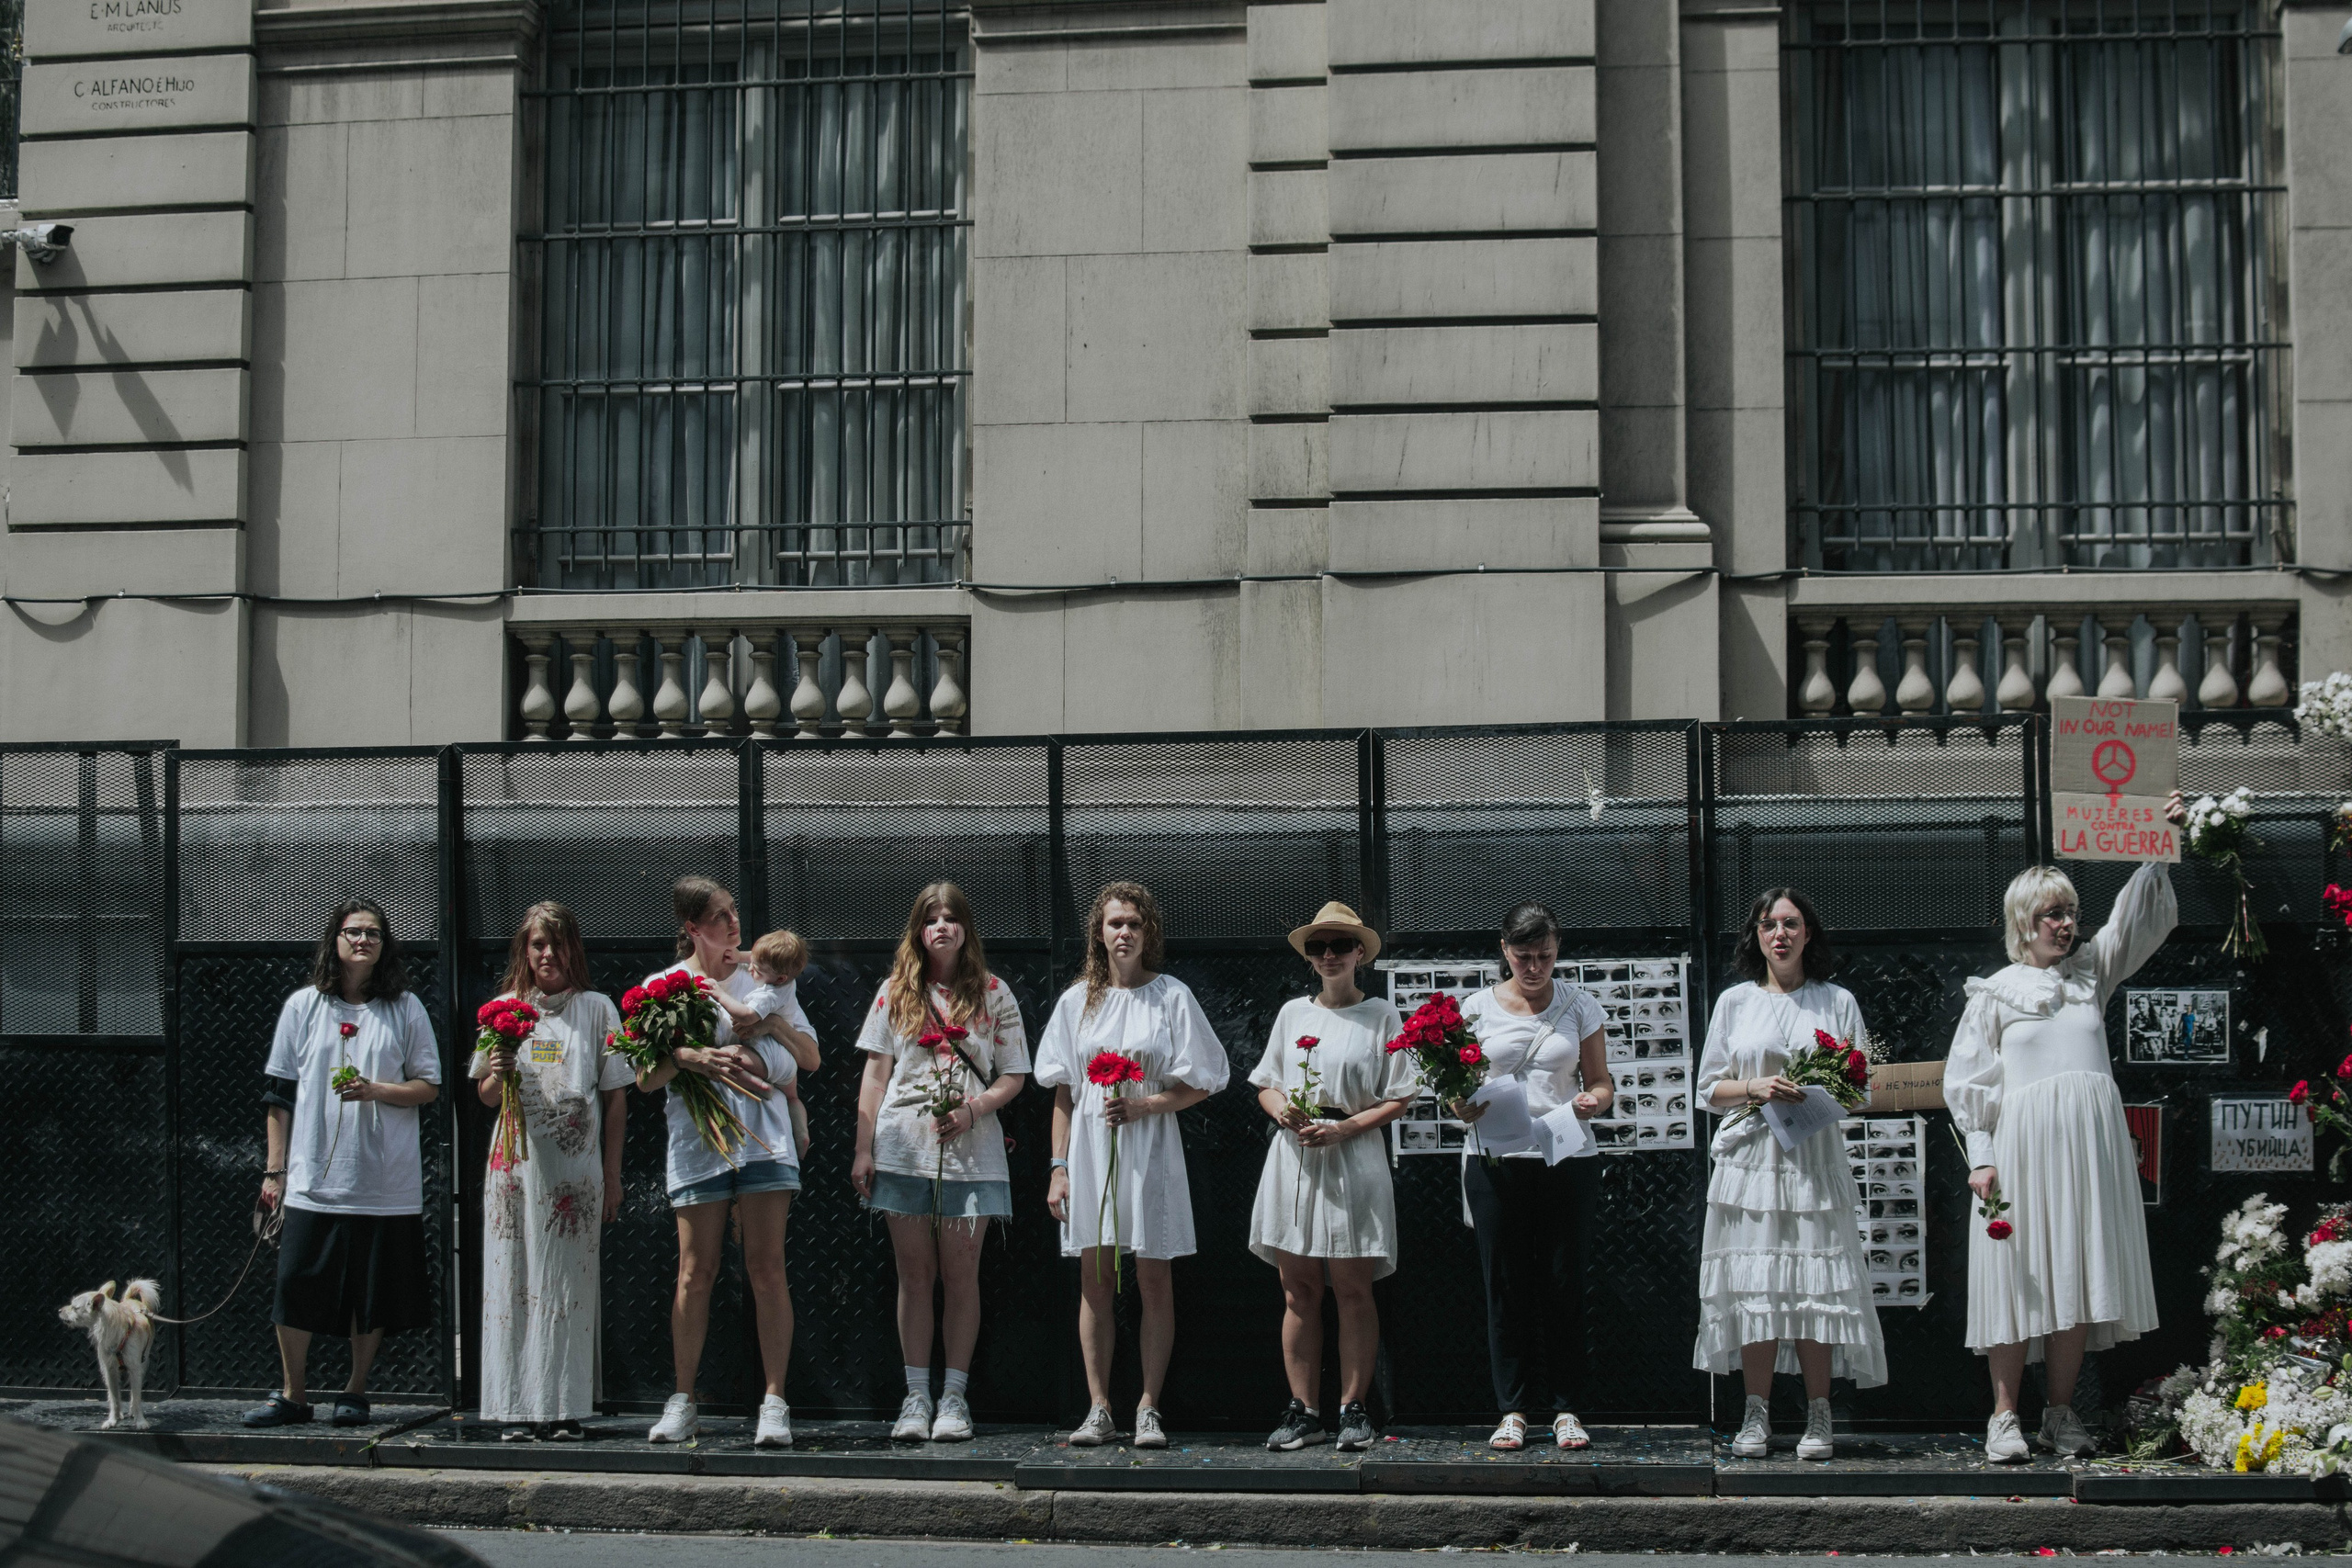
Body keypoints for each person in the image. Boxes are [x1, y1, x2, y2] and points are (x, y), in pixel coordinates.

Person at [1945, 791, 2187, 1462]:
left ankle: (2058, 1413)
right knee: (2014, 1275)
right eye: (2053, 912)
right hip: (2021, 1153)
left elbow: (2135, 921)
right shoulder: (1994, 993)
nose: (2066, 922)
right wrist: (1983, 1156)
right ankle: (2003, 1416)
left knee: (2077, 1275)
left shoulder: (2090, 976)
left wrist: (2158, 847)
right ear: (2026, 921)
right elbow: (1969, 1083)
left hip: (2087, 1153)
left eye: (2071, 911)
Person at [1035, 883, 1230, 1450]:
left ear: (1149, 934)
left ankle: (1148, 1406)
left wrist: (1147, 1104)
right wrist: (1057, 1167)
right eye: (1115, 923)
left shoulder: (1171, 996)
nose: (1124, 932)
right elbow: (1064, 1093)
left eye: (1134, 924)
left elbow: (1203, 1082)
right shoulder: (1077, 1002)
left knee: (1153, 1276)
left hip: (1151, 1149)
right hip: (1092, 1150)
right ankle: (1098, 1407)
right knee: (1094, 1278)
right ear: (1099, 932)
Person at [1693, 887, 1884, 1462]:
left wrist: (1822, 1093)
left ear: (1808, 933)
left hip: (1811, 1160)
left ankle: (1819, 1414)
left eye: (1791, 924)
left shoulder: (1837, 1000)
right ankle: (1756, 1413)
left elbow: (1861, 1087)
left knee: (1814, 1287)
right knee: (1756, 1286)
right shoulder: (1734, 1002)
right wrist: (1756, 1087)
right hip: (1751, 1163)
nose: (1780, 934)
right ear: (1756, 935)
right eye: (1768, 924)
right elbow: (1708, 1088)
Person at [245, 899, 442, 1428]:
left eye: (373, 933)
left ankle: (355, 1391)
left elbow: (429, 1086)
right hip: (313, 1180)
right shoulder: (303, 1007)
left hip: (382, 1181)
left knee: (369, 1294)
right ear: (335, 940)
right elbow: (279, 1094)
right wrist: (275, 1170)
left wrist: (377, 1090)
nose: (363, 941)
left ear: (385, 945)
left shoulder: (405, 1008)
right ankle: (294, 1394)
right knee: (296, 1283)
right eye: (353, 932)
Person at [851, 881, 1029, 1443]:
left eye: (952, 917)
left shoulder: (994, 993)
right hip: (902, 1147)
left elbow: (1014, 1075)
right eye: (931, 919)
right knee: (914, 1274)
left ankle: (954, 1397)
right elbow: (876, 1074)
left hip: (972, 1156)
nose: (942, 927)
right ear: (918, 931)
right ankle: (916, 1397)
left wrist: (975, 1110)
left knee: (961, 1276)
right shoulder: (894, 993)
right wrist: (862, 1147)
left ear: (966, 928)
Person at [639, 876, 806, 1449]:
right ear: (692, 928)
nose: (734, 924)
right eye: (720, 917)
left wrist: (760, 1049)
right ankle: (683, 1400)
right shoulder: (663, 987)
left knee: (767, 1269)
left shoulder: (765, 975)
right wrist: (687, 1056)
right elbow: (644, 1077)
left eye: (734, 912)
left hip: (762, 1141)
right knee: (695, 1271)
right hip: (698, 1146)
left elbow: (808, 1056)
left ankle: (775, 1402)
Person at [1247, 900, 1414, 1453]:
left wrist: (1346, 1129)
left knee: (1352, 1290)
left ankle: (1353, 1407)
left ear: (1360, 953)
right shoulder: (1293, 1014)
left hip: (1353, 1153)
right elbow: (1267, 1081)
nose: (1328, 955)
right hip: (1295, 1155)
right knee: (1298, 1291)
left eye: (1339, 945)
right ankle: (1304, 1410)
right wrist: (1281, 1112)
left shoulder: (1382, 1015)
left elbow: (1400, 1096)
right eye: (1318, 946)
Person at [1451, 901, 1613, 1452]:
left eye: (1545, 955)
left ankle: (1568, 1409)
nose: (1535, 967)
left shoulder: (1581, 1004)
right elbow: (1456, 1083)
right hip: (1495, 1157)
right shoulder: (1475, 1008)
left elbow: (1602, 1080)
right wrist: (1458, 1105)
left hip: (1567, 1155)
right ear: (1504, 951)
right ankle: (1513, 1409)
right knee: (1505, 1286)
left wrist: (1594, 1100)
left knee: (1564, 1282)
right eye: (1524, 956)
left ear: (1557, 951)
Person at [471, 901, 632, 1439]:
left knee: (567, 1285)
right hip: (515, 1170)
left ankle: (563, 1408)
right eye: (538, 944)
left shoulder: (597, 1009)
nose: (548, 954)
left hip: (574, 1174)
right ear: (525, 950)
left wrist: (612, 1174)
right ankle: (514, 1408)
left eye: (558, 943)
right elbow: (487, 1097)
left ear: (573, 949)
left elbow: (615, 1100)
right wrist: (498, 1066)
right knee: (512, 1278)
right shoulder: (504, 1009)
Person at [735, 928, 818, 1159]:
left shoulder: (768, 994)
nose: (750, 967)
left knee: (732, 1055)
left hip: (768, 1053)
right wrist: (738, 957)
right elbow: (753, 958)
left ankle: (759, 1085)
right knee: (793, 1097)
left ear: (778, 977)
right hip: (787, 1061)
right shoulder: (786, 982)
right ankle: (801, 1133)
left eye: (757, 968)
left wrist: (719, 995)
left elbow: (747, 1016)